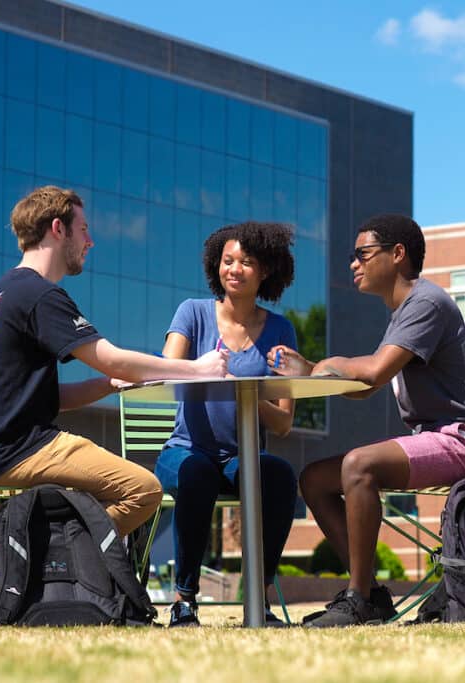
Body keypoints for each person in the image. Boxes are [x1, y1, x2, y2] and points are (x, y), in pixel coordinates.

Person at [0, 186, 228, 540]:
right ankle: (57, 564)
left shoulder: (1, 293)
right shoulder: (39, 295)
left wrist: (109, 384)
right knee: (143, 490)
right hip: (12, 450)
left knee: (114, 493)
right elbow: (112, 359)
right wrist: (200, 369)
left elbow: (47, 399)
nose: (90, 241)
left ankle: (60, 564)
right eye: (83, 229)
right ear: (58, 229)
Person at [268, 214, 465, 627]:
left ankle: (358, 598)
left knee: (359, 465)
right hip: (440, 438)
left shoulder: (426, 302)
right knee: (314, 480)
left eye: (362, 254)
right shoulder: (403, 312)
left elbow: (375, 373)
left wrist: (317, 366)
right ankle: (374, 595)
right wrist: (313, 371)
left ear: (397, 254)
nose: (353, 264)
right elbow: (364, 388)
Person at [155, 222, 299, 628]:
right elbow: (168, 370)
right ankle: (185, 599)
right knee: (197, 473)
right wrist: (202, 370)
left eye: (247, 262)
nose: (234, 269)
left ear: (266, 271)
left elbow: (284, 421)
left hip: (242, 458)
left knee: (280, 476)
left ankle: (259, 599)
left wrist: (246, 395)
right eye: (227, 260)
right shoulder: (193, 312)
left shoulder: (280, 330)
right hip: (185, 451)